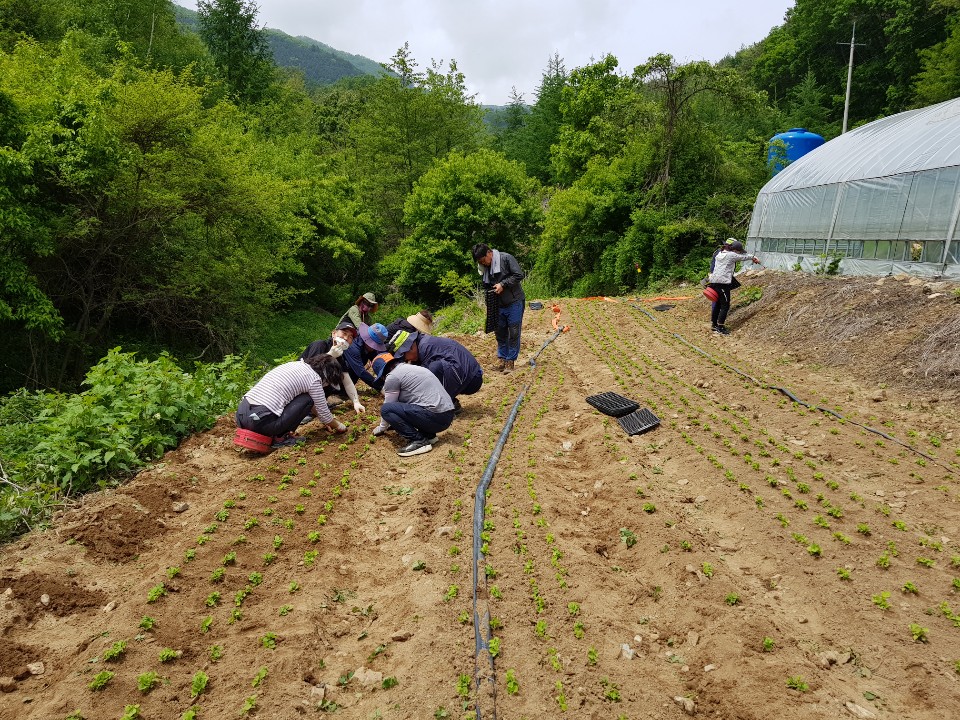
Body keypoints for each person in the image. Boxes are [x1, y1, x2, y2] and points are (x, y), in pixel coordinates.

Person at [236, 354, 347, 447]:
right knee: (307, 399)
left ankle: (272, 432)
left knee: (304, 398)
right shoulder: (314, 380)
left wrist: (325, 420)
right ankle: (280, 438)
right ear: (326, 377)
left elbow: (319, 411)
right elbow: (323, 413)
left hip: (242, 415)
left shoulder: (296, 365)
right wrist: (339, 426)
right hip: (261, 421)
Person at [370, 353, 456, 457]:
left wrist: (382, 428)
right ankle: (428, 435)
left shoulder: (392, 377)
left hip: (435, 417)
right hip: (447, 415)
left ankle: (419, 441)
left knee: (386, 410)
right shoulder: (411, 368)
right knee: (411, 401)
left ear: (383, 372)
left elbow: (389, 404)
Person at [389, 330, 482, 413]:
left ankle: (446, 406)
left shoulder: (425, 348)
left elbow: (422, 381)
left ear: (410, 348)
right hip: (471, 374)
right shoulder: (423, 343)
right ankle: (449, 402)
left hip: (472, 380)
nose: (406, 360)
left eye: (404, 356)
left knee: (432, 371)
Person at [472, 243, 525, 372]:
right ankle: (502, 359)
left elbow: (518, 275)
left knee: (513, 332)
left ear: (489, 253)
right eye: (480, 262)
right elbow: (486, 286)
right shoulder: (485, 268)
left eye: (484, 260)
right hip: (498, 304)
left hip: (514, 301)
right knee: (500, 332)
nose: (483, 263)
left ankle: (510, 361)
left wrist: (503, 284)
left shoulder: (506, 259)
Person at [299, 321, 365, 415]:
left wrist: (356, 402)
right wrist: (330, 356)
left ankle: (315, 407)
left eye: (350, 337)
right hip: (299, 390)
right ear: (334, 333)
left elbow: (347, 382)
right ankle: (305, 410)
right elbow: (308, 372)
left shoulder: (340, 356)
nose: (346, 338)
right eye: (344, 333)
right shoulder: (320, 345)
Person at [707, 240, 760, 335]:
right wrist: (753, 257)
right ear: (735, 250)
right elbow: (743, 257)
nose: (739, 253)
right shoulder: (731, 255)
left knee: (718, 304)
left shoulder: (720, 254)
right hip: (723, 283)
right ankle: (720, 327)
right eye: (739, 251)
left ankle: (714, 324)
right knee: (725, 305)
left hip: (714, 281)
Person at [341, 322, 390, 391]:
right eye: (375, 345)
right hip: (338, 372)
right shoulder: (353, 347)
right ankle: (336, 391)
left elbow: (378, 360)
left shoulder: (367, 347)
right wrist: (380, 387)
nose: (375, 348)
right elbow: (361, 372)